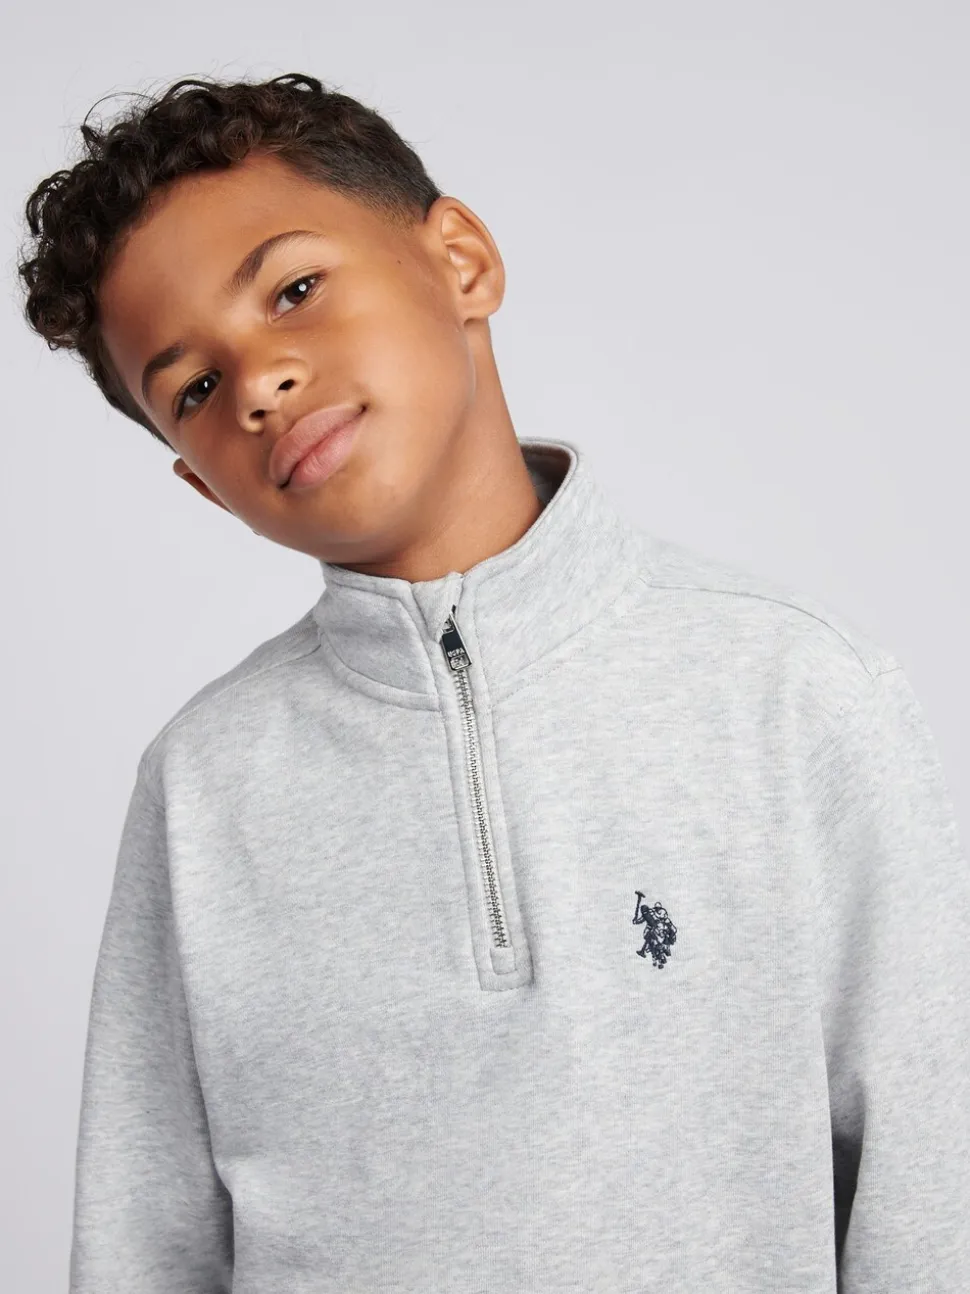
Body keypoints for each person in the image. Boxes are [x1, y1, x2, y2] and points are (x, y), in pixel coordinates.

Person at [17, 71, 969, 1294]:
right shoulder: (202, 787)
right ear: (200, 485)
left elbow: (931, 1193)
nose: (259, 383)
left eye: (295, 289)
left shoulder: (791, 691)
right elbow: (144, 1246)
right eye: (194, 388)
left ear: (459, 260)